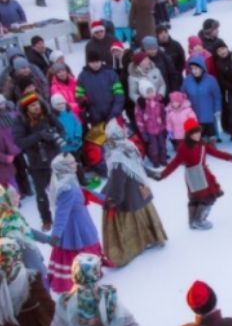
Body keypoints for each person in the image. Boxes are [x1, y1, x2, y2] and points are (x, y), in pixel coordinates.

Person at [100, 119, 167, 267]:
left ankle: (134, 245)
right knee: (143, 214)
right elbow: (139, 166)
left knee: (131, 218)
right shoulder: (129, 146)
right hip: (140, 188)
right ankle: (150, 237)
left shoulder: (117, 156)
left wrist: (114, 199)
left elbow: (118, 181)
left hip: (129, 195)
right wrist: (151, 174)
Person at [154, 119, 232, 231]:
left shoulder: (202, 144)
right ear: (189, 134)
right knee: (206, 198)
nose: (197, 135)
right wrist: (162, 175)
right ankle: (198, 221)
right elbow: (174, 163)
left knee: (200, 198)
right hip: (194, 176)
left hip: (204, 174)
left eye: (198, 132)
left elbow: (216, 153)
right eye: (194, 133)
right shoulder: (183, 148)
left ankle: (193, 221)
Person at [47, 154, 103, 293]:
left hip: (80, 218)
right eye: (72, 163)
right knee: (81, 246)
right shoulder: (67, 188)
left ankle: (90, 271)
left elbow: (83, 191)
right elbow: (62, 213)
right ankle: (82, 275)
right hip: (76, 224)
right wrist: (56, 234)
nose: (76, 164)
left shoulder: (67, 178)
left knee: (81, 246)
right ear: (64, 167)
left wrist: (102, 198)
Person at [12, 94, 64, 230]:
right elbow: (20, 142)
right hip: (37, 162)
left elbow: (61, 130)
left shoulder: (47, 115)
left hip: (55, 157)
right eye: (32, 105)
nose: (37, 107)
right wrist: (39, 135)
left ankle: (66, 212)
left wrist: (54, 136)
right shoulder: (21, 121)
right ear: (26, 108)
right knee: (41, 193)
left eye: (37, 103)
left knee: (63, 187)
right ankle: (46, 219)